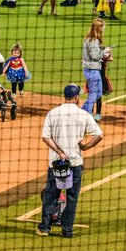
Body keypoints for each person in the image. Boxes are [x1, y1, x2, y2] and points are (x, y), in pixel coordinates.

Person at [36, 84, 103, 239]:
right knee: (72, 197)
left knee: (51, 195)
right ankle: (67, 230)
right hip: (75, 163)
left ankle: (45, 228)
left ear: (65, 96)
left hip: (56, 163)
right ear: (76, 97)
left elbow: (45, 137)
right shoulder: (83, 114)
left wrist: (60, 152)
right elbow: (99, 135)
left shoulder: (53, 113)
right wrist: (85, 147)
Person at [81, 19, 106, 118]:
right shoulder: (93, 40)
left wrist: (101, 50)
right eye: (103, 26)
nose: (104, 28)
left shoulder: (88, 39)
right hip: (92, 70)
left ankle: (83, 110)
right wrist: (105, 52)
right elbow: (95, 56)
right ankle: (86, 113)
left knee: (98, 93)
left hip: (92, 69)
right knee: (94, 93)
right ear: (98, 28)